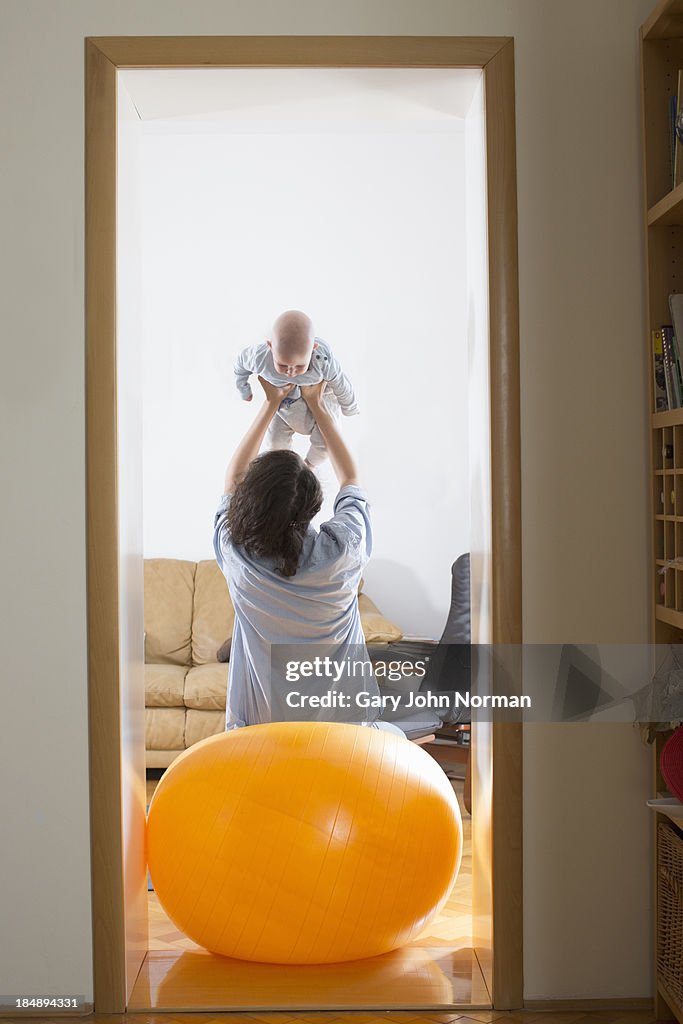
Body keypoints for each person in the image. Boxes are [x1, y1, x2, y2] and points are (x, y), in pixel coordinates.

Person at [213, 373, 404, 736]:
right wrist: (317, 405)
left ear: (251, 503)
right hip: (347, 738)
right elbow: (350, 478)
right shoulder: (343, 551)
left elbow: (233, 479)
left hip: (260, 738)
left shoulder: (237, 555)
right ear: (313, 506)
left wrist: (270, 404)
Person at [233, 309, 359, 468]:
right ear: (270, 347)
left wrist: (349, 406)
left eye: (299, 366)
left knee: (327, 443)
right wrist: (244, 389)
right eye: (283, 364)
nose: (290, 371)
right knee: (274, 444)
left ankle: (309, 465)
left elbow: (340, 382)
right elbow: (240, 367)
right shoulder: (259, 357)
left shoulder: (322, 360)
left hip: (321, 401)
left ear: (313, 348)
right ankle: (285, 468)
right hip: (286, 403)